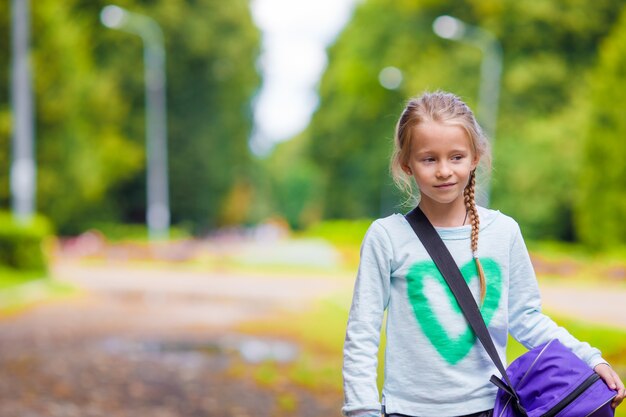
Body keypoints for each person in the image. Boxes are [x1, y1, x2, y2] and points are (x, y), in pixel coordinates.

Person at [342, 91, 625, 417]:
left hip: (487, 409)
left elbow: (526, 318)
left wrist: (591, 359)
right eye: (429, 159)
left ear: (475, 157)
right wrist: (362, 411)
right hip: (407, 411)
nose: (444, 170)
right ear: (406, 164)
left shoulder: (503, 232)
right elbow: (361, 336)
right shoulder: (387, 237)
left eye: (456, 157)